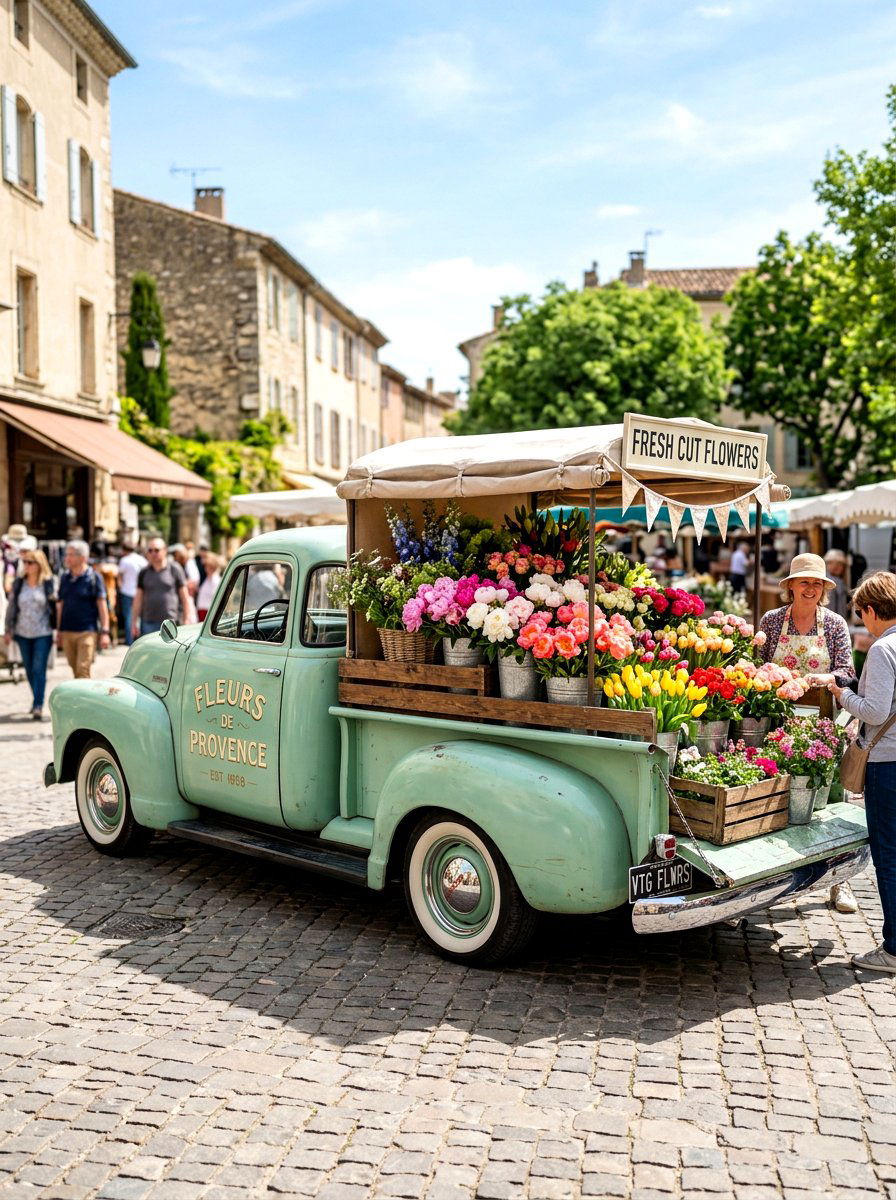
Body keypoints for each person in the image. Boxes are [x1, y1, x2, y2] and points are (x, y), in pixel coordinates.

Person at [758, 552, 859, 913]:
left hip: (821, 723)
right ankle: (770, 878)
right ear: (790, 586)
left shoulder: (833, 624)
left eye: (817, 583)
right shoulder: (772, 621)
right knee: (779, 799)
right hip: (777, 724)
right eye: (805, 582)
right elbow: (756, 668)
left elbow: (848, 671)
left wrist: (827, 678)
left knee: (830, 800)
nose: (811, 588)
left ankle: (840, 883)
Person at [829, 572, 896, 973]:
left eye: (861, 614)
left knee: (888, 856)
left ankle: (892, 949)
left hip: (888, 763)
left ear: (871, 610)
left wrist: (843, 694)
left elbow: (874, 711)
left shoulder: (882, 649)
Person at [4, 548, 56, 718]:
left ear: (39, 564)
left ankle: (38, 705)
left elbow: (56, 607)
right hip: (22, 632)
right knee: (28, 669)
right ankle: (37, 698)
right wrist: (8, 630)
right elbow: (12, 607)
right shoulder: (19, 583)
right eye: (24, 562)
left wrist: (58, 629)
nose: (26, 565)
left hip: (43, 632)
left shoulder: (48, 583)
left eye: (29, 562)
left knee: (38, 668)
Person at [57, 540, 110, 679]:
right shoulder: (64, 578)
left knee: (83, 669)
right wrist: (59, 630)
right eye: (66, 554)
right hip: (68, 630)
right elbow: (61, 605)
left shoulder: (94, 577)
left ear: (82, 557)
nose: (66, 558)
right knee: (74, 668)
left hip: (87, 631)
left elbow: (102, 605)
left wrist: (105, 631)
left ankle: (83, 700)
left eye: (71, 555)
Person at [131, 538, 191, 639]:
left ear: (165, 550)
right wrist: (134, 622)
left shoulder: (175, 569)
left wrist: (186, 619)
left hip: (171, 623)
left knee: (170, 654)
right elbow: (138, 599)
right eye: (150, 550)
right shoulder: (144, 572)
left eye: (156, 550)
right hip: (148, 623)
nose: (153, 553)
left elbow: (185, 597)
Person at [118, 541, 147, 646]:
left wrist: (121, 588)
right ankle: (140, 639)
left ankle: (130, 640)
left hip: (127, 591)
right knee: (140, 616)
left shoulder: (124, 560)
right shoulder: (142, 560)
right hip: (140, 592)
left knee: (129, 617)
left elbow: (120, 577)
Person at [824, 549, 851, 620]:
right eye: (838, 564)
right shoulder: (827, 581)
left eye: (841, 564)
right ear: (828, 563)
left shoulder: (839, 581)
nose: (841, 567)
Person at [196, 553, 222, 622]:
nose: (206, 568)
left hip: (208, 614)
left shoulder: (216, 580)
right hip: (202, 613)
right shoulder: (207, 579)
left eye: (207, 566)